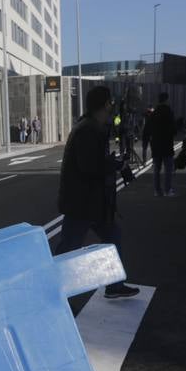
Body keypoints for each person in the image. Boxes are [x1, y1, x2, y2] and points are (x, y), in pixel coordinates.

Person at [55, 86, 140, 299]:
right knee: (68, 247)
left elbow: (93, 162)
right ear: (104, 104)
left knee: (112, 237)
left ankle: (114, 285)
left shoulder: (92, 126)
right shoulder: (87, 130)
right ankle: (52, 288)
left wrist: (112, 163)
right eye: (110, 102)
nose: (112, 106)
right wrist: (115, 166)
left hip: (92, 202)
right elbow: (88, 166)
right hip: (82, 202)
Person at [146, 94, 178, 196]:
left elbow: (148, 128)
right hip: (166, 144)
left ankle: (157, 190)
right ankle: (167, 190)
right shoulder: (168, 112)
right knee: (168, 169)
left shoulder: (153, 113)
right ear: (166, 100)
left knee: (156, 169)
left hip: (155, 144)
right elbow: (173, 129)